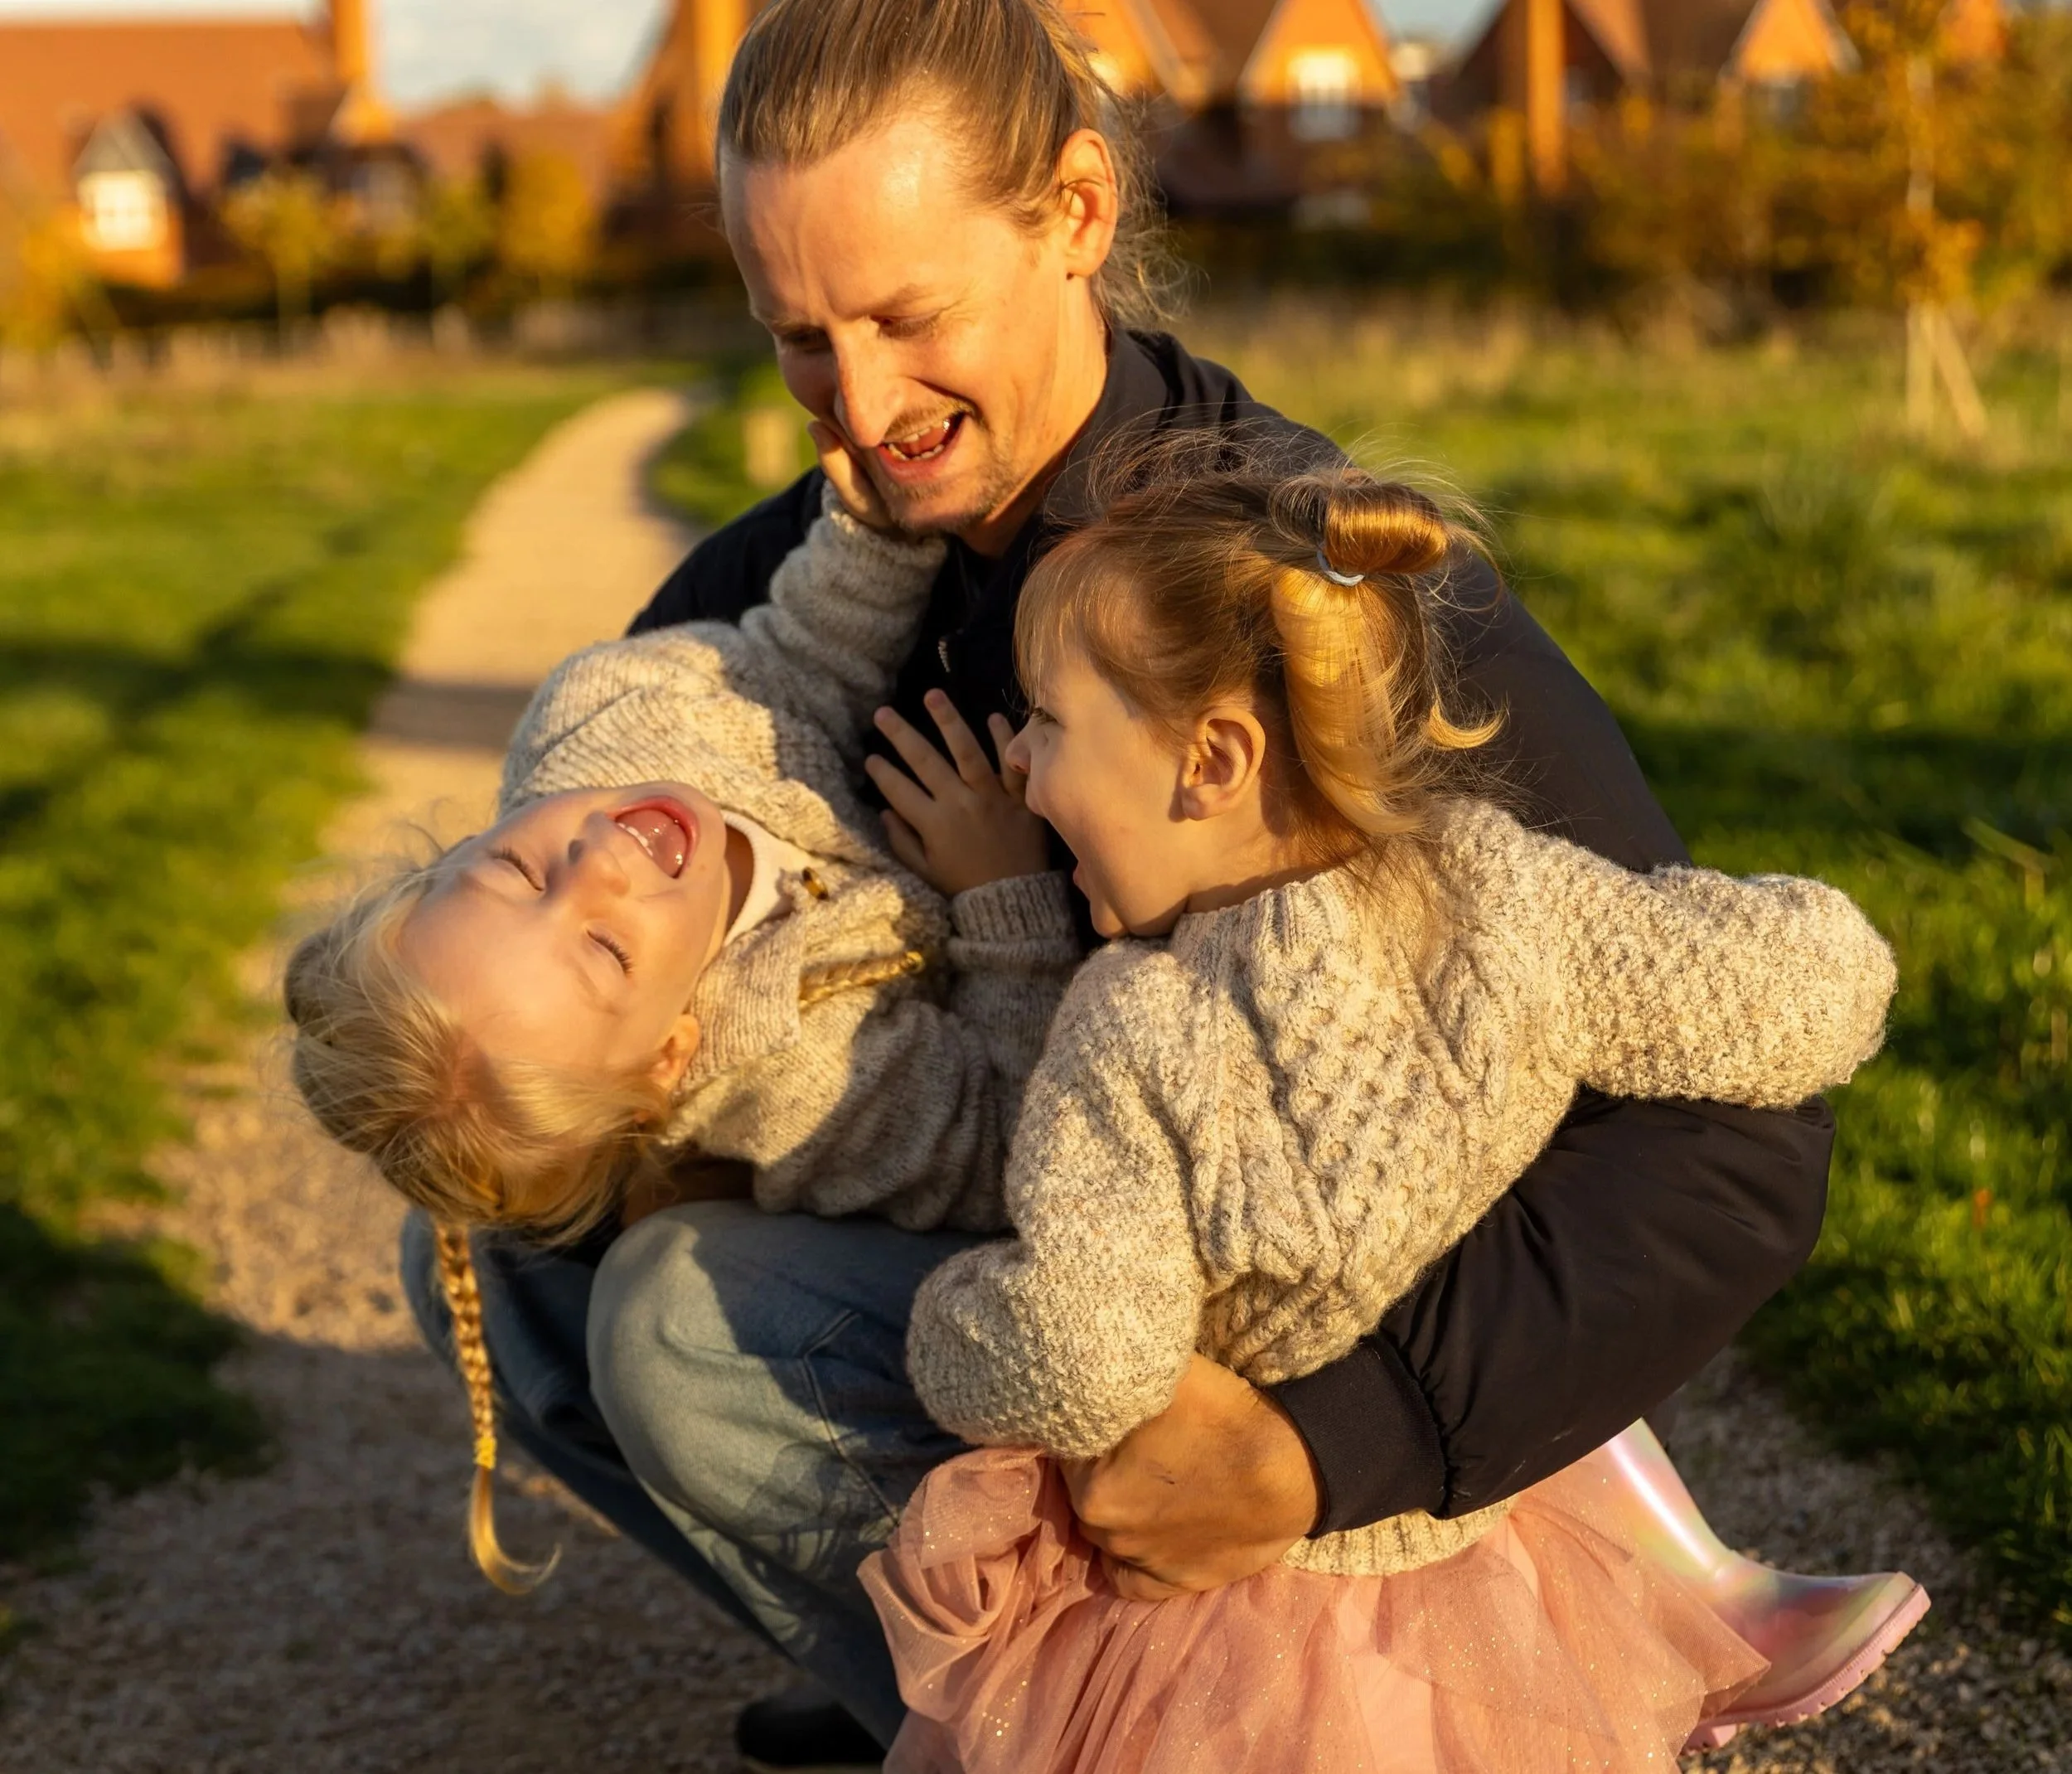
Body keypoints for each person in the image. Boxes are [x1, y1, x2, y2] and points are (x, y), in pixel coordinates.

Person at [399, 0, 1839, 1762]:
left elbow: (1738, 1148)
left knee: (682, 1324)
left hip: (1258, 1347)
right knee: (499, 1245)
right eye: (797, 338)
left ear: (1074, 212)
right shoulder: (786, 569)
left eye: (907, 314)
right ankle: (957, 1671)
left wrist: (1331, 1440)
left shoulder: (1279, 584)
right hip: (1031, 1253)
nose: (855, 408)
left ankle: (1190, 1719)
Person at [861, 446, 1900, 1773]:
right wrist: (1786, 922)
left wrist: (948, 1322)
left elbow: (1083, 1358)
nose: (1025, 772)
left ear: (1213, 759)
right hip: (1489, 1577)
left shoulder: (1135, 1026)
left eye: (1050, 724)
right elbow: (1820, 991)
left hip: (1230, 1631)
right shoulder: (1498, 893)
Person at [289, 450, 1077, 1588]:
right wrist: (1004, 896)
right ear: (670, 1052)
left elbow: (792, 665)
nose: (599, 863)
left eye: (516, 868)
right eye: (605, 951)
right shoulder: (803, 1072)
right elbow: (1011, 1137)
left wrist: (880, 530)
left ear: (464, 841)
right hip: (1000, 1269)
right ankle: (941, 1654)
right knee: (511, 1277)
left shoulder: (597, 722)